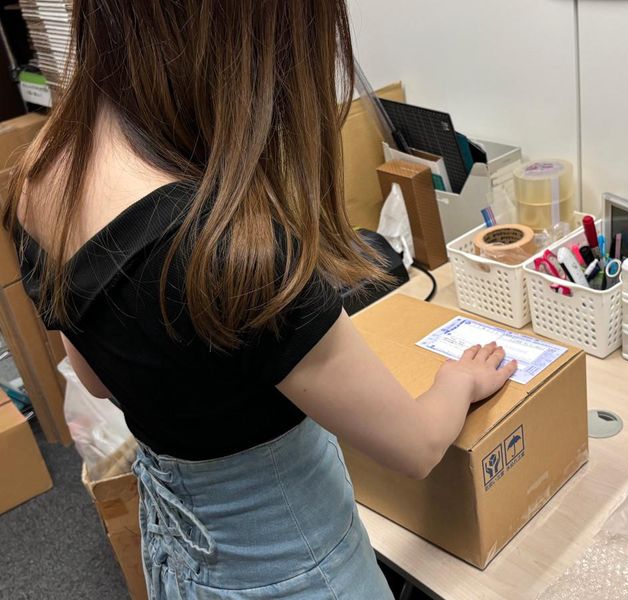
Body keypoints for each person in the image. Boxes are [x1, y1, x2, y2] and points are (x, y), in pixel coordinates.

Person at [2, 2, 516, 599]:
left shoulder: (41, 177)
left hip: (182, 558)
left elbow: (94, 379)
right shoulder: (232, 249)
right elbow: (417, 447)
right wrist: (456, 382)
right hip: (295, 573)